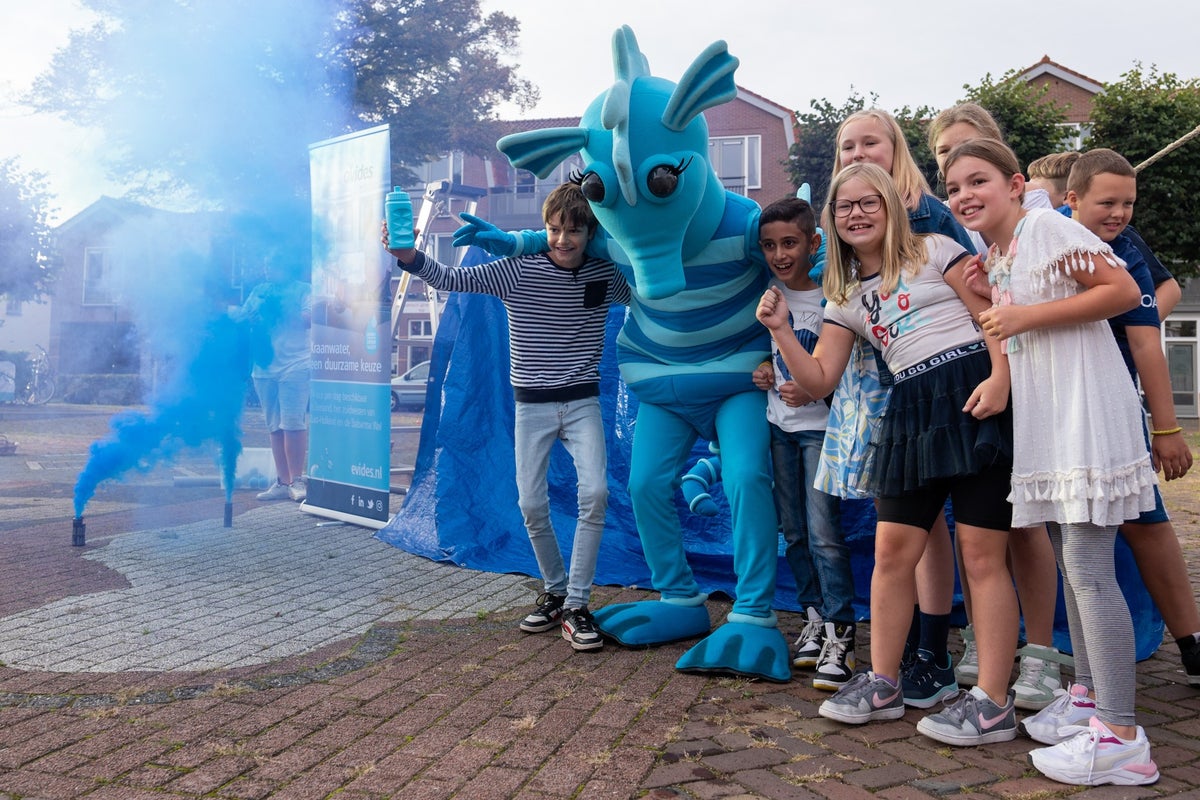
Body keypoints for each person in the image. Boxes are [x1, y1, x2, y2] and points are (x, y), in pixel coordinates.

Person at [763, 162, 1020, 746]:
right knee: (890, 553)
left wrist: (1002, 376)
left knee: (981, 556)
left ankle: (993, 703)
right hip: (908, 414)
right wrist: (781, 330)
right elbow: (821, 379)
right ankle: (882, 683)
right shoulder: (846, 297)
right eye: (844, 206)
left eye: (868, 202)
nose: (857, 213)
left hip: (975, 395)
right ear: (832, 220)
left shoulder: (937, 249)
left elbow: (992, 312)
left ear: (891, 206)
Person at [944, 138, 1159, 786]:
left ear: (1015, 185)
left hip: (1086, 410)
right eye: (953, 188)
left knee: (1090, 570)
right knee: (1074, 563)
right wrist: (992, 305)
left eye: (976, 180)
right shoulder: (1004, 252)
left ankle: (1122, 736)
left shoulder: (1043, 227)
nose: (963, 196)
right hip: (1054, 414)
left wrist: (1022, 311)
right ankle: (1091, 701)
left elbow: (1120, 289)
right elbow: (1011, 327)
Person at [383, 183, 631, 653]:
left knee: (595, 493)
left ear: (591, 233)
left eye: (574, 231)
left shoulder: (605, 274)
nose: (562, 240)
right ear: (544, 228)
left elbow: (648, 294)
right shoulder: (518, 270)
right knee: (531, 505)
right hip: (532, 406)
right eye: (554, 229)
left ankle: (578, 605)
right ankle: (555, 590)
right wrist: (406, 255)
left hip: (582, 403)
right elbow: (449, 279)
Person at [827, 108, 977, 709]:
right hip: (893, 396)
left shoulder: (933, 229)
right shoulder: (848, 271)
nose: (858, 152)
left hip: (960, 388)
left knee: (966, 538)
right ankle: (901, 661)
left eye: (872, 142)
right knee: (908, 536)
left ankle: (934, 651)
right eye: (847, 146)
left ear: (898, 153)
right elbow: (830, 347)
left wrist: (1000, 376)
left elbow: (979, 302)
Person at [928, 104, 1067, 711]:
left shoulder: (1035, 220)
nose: (957, 173)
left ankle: (1040, 654)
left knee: (1028, 526)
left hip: (1030, 382)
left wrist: (1005, 369)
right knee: (984, 530)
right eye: (943, 159)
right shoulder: (956, 223)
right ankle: (992, 643)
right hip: (983, 381)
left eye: (970, 153)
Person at [1059, 149, 1200, 687]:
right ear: (1069, 202)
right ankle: (1076, 679)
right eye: (1107, 202)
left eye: (1128, 203)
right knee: (1065, 545)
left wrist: (1166, 427)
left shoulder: (1121, 250)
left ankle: (1114, 701)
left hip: (1108, 408)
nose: (1119, 212)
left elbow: (1150, 325)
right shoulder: (1036, 237)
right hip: (1048, 408)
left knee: (1136, 523)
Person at [750, 196, 856, 690]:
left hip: (820, 432)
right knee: (793, 532)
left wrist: (818, 387)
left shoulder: (835, 299)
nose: (779, 253)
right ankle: (813, 618)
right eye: (769, 245)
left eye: (790, 242)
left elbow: (847, 374)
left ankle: (841, 634)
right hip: (779, 431)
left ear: (814, 243)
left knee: (824, 534)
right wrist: (768, 371)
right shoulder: (772, 297)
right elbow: (770, 353)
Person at [237, 252, 312, 503]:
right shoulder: (258, 291)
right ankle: (282, 481)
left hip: (295, 364)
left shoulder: (303, 289)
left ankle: (297, 480)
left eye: (273, 266)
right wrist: (250, 319)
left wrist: (280, 312)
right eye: (266, 265)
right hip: (264, 367)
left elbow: (309, 318)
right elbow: (243, 320)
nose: (268, 270)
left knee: (293, 422)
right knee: (274, 426)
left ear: (287, 267)